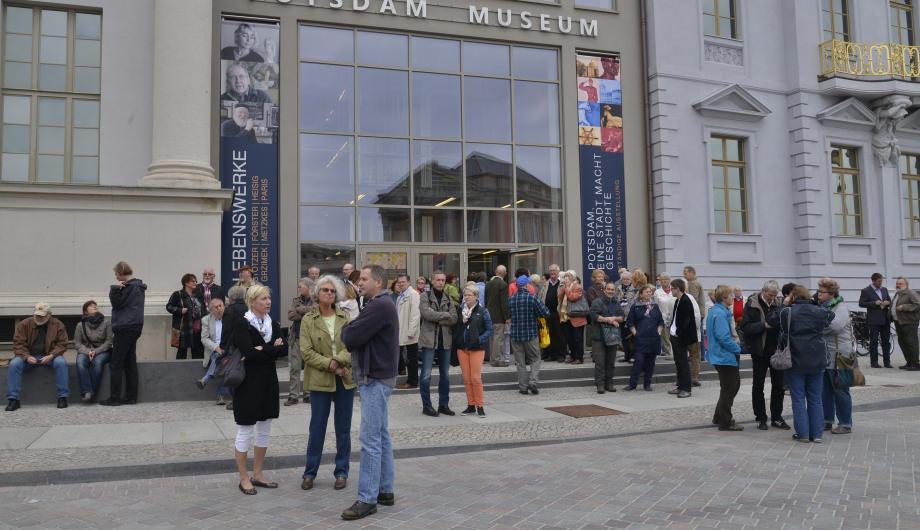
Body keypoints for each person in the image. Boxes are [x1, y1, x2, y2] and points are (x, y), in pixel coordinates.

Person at [340, 265, 400, 521]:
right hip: (379, 376)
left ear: (378, 281)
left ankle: (367, 498)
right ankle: (385, 490)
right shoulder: (379, 304)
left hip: (375, 378)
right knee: (381, 435)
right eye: (359, 279)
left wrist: (349, 326)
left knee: (370, 440)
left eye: (364, 279)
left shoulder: (378, 306)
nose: (359, 283)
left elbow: (350, 337)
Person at [300, 275, 355, 491]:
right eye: (325, 290)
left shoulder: (345, 316)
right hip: (320, 379)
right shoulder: (308, 319)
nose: (329, 293)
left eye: (333, 291)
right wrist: (331, 365)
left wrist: (340, 362)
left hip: (344, 379)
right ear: (316, 293)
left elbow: (352, 345)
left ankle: (341, 471)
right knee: (317, 428)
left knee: (343, 429)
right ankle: (309, 472)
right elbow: (306, 351)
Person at [232, 285, 287, 495]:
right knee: (245, 429)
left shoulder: (272, 323)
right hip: (248, 382)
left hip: (268, 380)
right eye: (264, 298)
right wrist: (271, 349)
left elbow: (283, 349)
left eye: (269, 298)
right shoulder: (242, 323)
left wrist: (263, 348)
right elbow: (247, 352)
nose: (268, 301)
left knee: (265, 427)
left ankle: (258, 472)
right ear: (252, 301)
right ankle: (244, 477)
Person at [770, 285, 835, 443]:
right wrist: (815, 305)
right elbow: (830, 315)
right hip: (817, 358)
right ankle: (817, 434)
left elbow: (771, 319)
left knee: (798, 398)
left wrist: (784, 304)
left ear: (793, 296)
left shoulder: (788, 311)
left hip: (796, 358)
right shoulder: (818, 311)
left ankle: (803, 434)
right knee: (815, 398)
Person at [738, 280, 788, 431]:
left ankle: (777, 417)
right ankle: (761, 417)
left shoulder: (779, 303)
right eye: (770, 294)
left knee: (778, 386)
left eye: (775, 295)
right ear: (763, 291)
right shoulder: (752, 304)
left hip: (777, 351)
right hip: (759, 351)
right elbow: (745, 327)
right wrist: (763, 326)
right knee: (758, 385)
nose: (772, 297)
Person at [5, 303, 69, 411]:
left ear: (49, 315)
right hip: (29, 356)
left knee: (61, 363)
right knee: (14, 364)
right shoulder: (24, 324)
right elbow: (18, 344)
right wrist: (26, 356)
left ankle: (62, 397)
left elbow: (63, 344)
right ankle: (13, 399)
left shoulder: (58, 324)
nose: (39, 317)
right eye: (37, 315)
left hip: (50, 356)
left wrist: (52, 355)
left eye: (42, 315)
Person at [101, 262, 146, 407]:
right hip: (135, 326)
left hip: (125, 327)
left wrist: (114, 290)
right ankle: (131, 397)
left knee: (116, 363)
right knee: (130, 362)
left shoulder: (129, 287)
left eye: (116, 274)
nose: (116, 277)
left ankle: (114, 398)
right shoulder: (138, 286)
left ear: (121, 272)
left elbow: (117, 303)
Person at [817, 278, 854, 435]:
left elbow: (835, 326)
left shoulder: (840, 307)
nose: (818, 294)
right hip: (826, 355)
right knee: (825, 390)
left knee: (840, 390)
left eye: (821, 292)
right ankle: (827, 421)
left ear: (831, 294)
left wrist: (816, 326)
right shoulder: (823, 307)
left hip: (840, 355)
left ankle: (845, 423)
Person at [418, 271, 457, 417]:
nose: (441, 282)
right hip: (429, 341)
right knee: (426, 375)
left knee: (445, 375)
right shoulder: (424, 296)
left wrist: (438, 316)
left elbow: (454, 318)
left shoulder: (448, 297)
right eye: (438, 280)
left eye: (443, 280)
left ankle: (443, 405)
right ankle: (427, 406)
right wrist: (445, 315)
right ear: (432, 281)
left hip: (445, 341)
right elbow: (426, 314)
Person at [706, 285, 743, 431]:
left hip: (720, 355)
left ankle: (719, 417)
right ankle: (725, 421)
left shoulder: (717, 311)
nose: (733, 297)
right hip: (724, 356)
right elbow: (723, 337)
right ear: (724, 298)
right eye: (731, 295)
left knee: (727, 387)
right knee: (730, 388)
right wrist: (737, 349)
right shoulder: (720, 313)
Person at [454, 285, 492, 417]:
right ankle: (470, 405)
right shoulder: (460, 311)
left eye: (469, 295)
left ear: (476, 296)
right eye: (465, 295)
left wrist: (479, 340)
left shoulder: (483, 311)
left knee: (476, 378)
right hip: (462, 348)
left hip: (476, 349)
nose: (467, 297)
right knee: (466, 378)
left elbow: (489, 330)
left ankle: (480, 406)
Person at [509, 275, 551, 395]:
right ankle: (533, 382)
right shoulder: (532, 298)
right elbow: (546, 312)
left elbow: (509, 314)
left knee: (520, 362)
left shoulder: (511, 299)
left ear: (517, 286)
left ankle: (523, 387)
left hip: (516, 334)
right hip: (531, 334)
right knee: (535, 358)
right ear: (527, 285)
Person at [624, 285, 664, 391]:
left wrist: (659, 331)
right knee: (639, 361)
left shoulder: (655, 306)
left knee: (651, 363)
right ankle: (632, 384)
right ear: (641, 294)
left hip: (653, 339)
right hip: (640, 338)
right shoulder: (636, 306)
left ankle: (647, 384)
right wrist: (635, 333)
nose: (649, 293)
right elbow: (630, 322)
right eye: (646, 292)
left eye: (650, 291)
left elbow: (660, 321)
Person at [74, 300, 112, 402]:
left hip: (102, 351)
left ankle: (90, 392)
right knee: (80, 362)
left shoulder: (106, 323)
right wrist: (88, 352)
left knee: (97, 362)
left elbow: (109, 342)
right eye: (91, 306)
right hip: (86, 350)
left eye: (95, 305)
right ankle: (87, 391)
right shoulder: (80, 325)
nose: (94, 307)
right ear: (85, 311)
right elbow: (77, 343)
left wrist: (96, 351)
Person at [589, 281, 624, 393]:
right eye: (608, 289)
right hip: (598, 337)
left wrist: (613, 318)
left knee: (610, 362)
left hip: (612, 337)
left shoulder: (616, 302)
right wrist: (609, 320)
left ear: (614, 291)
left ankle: (609, 383)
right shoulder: (597, 302)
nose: (610, 291)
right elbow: (594, 316)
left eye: (612, 289)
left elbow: (622, 317)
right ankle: (600, 384)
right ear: (604, 290)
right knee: (600, 362)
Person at [285, 278, 315, 406]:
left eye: (300, 286)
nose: (298, 288)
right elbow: (291, 315)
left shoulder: (317, 299)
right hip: (296, 337)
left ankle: (308, 394)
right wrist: (306, 311)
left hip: (311, 338)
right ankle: (293, 396)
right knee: (295, 368)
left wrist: (300, 310)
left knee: (309, 367)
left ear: (308, 287)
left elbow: (316, 312)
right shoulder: (295, 300)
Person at [218, 285, 248, 410]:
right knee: (244, 373)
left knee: (232, 373)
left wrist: (223, 347)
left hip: (232, 346)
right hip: (246, 345)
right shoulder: (248, 308)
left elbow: (226, 330)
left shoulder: (229, 310)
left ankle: (236, 400)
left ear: (231, 298)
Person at [198, 298, 232, 405]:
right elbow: (204, 338)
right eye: (216, 307)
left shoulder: (230, 318)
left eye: (221, 306)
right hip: (214, 350)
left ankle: (205, 379)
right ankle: (220, 395)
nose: (219, 309)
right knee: (220, 357)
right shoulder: (206, 320)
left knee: (224, 359)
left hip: (228, 348)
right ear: (211, 310)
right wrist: (215, 347)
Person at [667, 280, 696, 399]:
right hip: (675, 335)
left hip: (680, 337)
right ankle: (680, 386)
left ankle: (686, 388)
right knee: (678, 362)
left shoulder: (685, 301)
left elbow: (686, 321)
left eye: (672, 288)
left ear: (678, 288)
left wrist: (678, 333)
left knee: (683, 363)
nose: (671, 290)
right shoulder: (678, 301)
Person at [167, 273, 204, 360]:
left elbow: (202, 309)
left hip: (197, 328)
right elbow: (169, 307)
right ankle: (178, 371)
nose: (195, 283)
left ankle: (197, 372)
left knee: (197, 351)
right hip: (183, 327)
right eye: (193, 281)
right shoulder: (178, 294)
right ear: (186, 283)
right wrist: (180, 310)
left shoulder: (197, 295)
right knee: (182, 352)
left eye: (196, 281)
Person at [858, 272, 892, 368]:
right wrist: (874, 303)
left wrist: (887, 302)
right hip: (873, 320)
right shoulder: (866, 290)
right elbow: (861, 303)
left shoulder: (884, 290)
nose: (880, 283)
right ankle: (874, 362)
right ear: (873, 281)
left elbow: (890, 301)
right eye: (879, 281)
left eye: (881, 281)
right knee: (874, 341)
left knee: (886, 341)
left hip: (885, 318)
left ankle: (887, 362)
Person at [395, 274, 421, 390]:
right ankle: (410, 380)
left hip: (409, 334)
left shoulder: (413, 295)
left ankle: (412, 382)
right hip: (402, 332)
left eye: (403, 282)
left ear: (409, 282)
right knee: (407, 358)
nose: (401, 284)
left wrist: (411, 332)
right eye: (399, 282)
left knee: (411, 359)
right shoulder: (401, 295)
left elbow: (415, 315)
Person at [891, 276, 920, 371]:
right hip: (898, 322)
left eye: (900, 284)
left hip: (909, 322)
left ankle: (915, 364)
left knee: (911, 342)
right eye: (897, 283)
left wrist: (904, 307)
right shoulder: (898, 294)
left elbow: (918, 304)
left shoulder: (910, 293)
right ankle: (909, 362)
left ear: (906, 285)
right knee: (903, 342)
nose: (898, 285)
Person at [485, 265, 510, 367]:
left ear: (496, 272)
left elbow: (486, 299)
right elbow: (504, 303)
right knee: (498, 338)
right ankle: (496, 360)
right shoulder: (503, 284)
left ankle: (492, 358)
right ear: (505, 273)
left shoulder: (488, 283)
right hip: (499, 316)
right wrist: (507, 317)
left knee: (492, 338)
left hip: (489, 315)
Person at [563, 281, 589, 364]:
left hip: (578, 317)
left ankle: (579, 358)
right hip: (568, 317)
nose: (566, 278)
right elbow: (559, 297)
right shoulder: (566, 287)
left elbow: (572, 297)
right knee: (570, 339)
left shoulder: (578, 287)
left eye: (568, 276)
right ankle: (573, 356)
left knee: (578, 339)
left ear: (572, 278)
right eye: (565, 276)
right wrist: (563, 287)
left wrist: (566, 288)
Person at [542, 264, 564, 362]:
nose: (552, 272)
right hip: (547, 313)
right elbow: (541, 296)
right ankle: (552, 354)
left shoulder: (562, 283)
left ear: (558, 272)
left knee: (559, 334)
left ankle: (561, 354)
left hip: (558, 313)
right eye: (550, 271)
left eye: (554, 270)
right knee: (549, 334)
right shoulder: (546, 283)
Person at [655, 274, 675, 359]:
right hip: (662, 317)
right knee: (665, 337)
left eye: (666, 279)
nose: (663, 281)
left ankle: (675, 353)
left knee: (674, 336)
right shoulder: (657, 292)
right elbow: (656, 306)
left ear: (669, 280)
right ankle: (669, 353)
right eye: (661, 280)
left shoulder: (674, 290)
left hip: (674, 317)